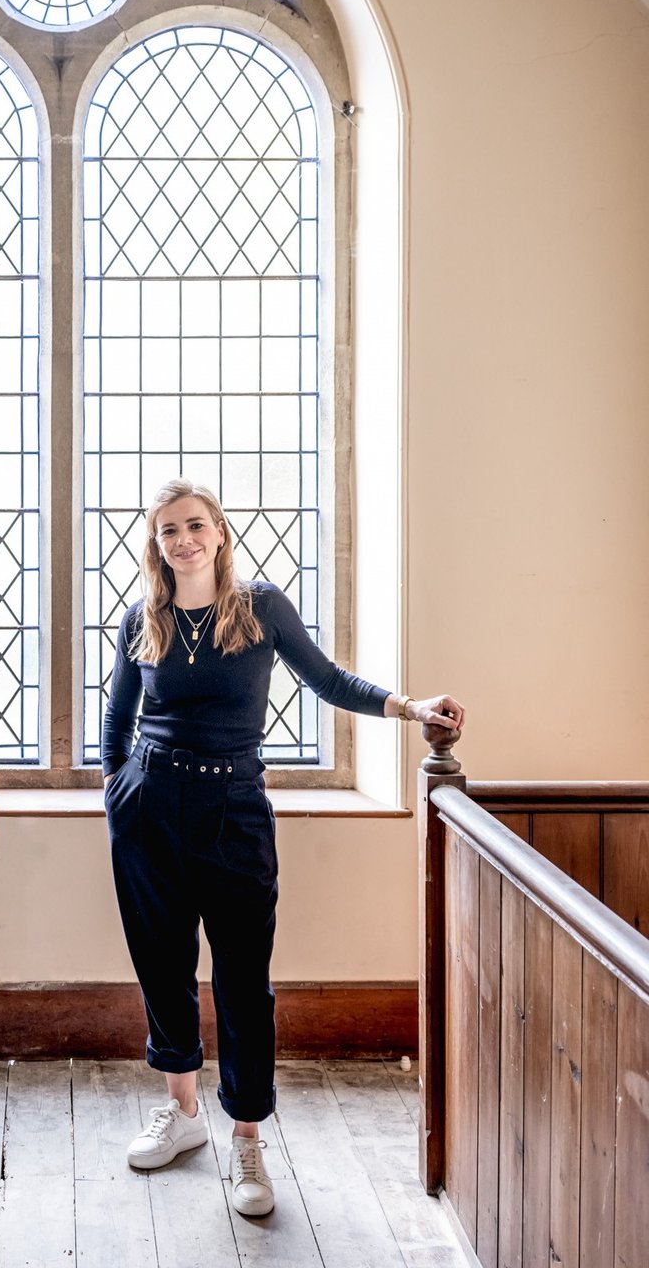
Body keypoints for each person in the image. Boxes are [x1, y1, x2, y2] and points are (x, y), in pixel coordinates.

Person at [102, 478, 463, 1218]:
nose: (183, 540)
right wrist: (118, 796)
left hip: (234, 807)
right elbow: (117, 718)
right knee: (163, 966)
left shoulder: (261, 607)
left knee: (241, 979)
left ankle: (246, 1139)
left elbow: (326, 680)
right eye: (168, 530)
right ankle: (184, 1115)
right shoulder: (144, 616)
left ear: (221, 532)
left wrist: (410, 707)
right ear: (155, 544)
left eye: (195, 525)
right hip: (149, 810)